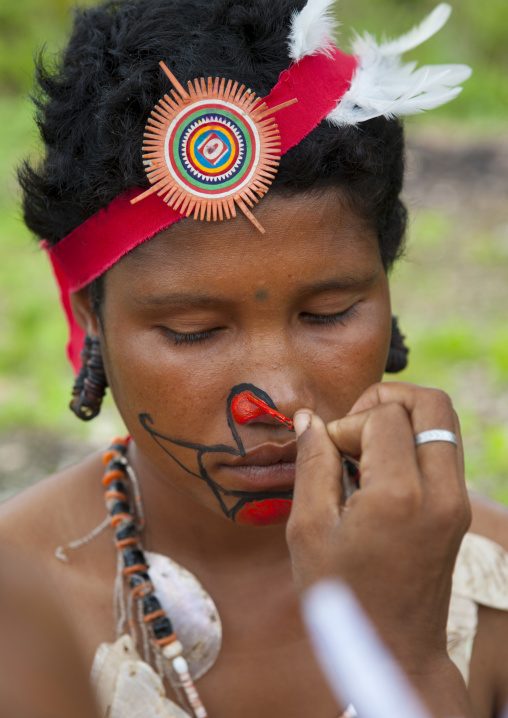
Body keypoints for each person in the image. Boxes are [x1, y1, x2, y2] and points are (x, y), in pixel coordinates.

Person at [2, 0, 508, 716]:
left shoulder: (493, 587)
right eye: (192, 329)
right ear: (93, 315)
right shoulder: (18, 608)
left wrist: (409, 659)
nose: (277, 394)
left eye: (327, 314)